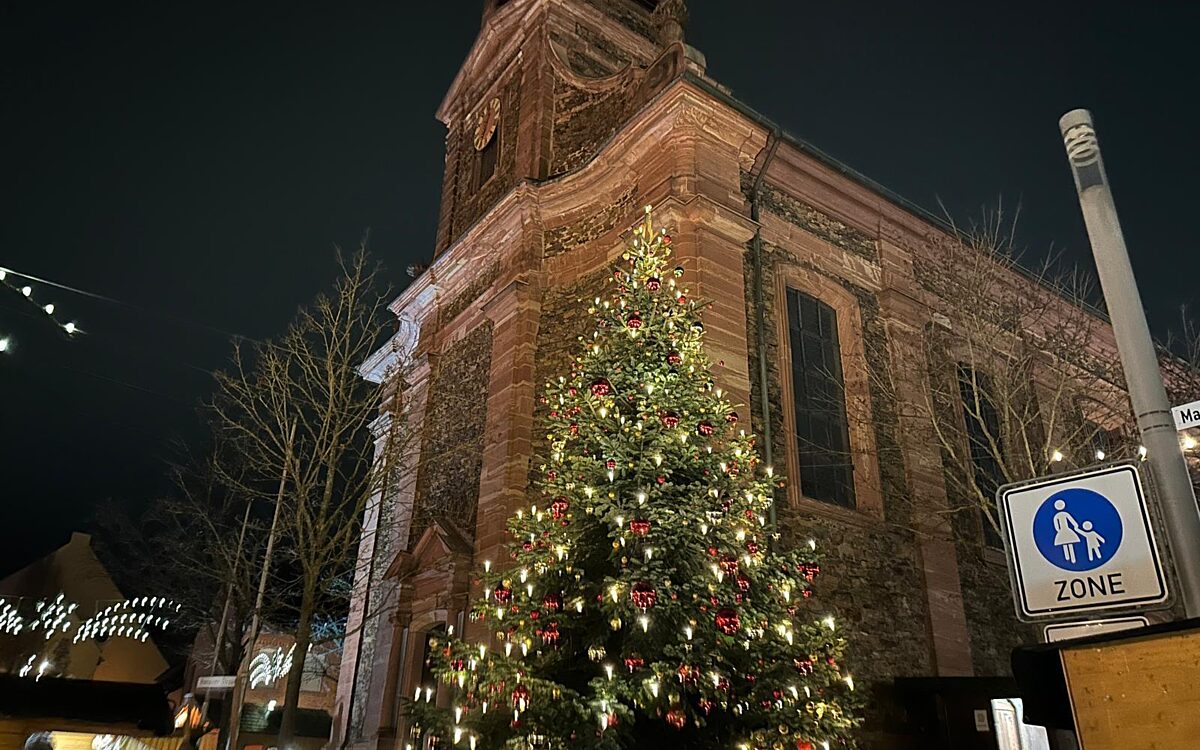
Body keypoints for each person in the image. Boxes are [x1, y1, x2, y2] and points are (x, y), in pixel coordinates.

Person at [1051, 499, 1081, 564]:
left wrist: (1059, 530)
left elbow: (1057, 525)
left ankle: (1070, 558)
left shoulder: (1059, 515)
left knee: (1067, 543)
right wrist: (1075, 525)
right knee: (1067, 543)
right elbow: (1072, 521)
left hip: (1063, 531)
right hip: (1065, 530)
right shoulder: (1062, 515)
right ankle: (1069, 559)